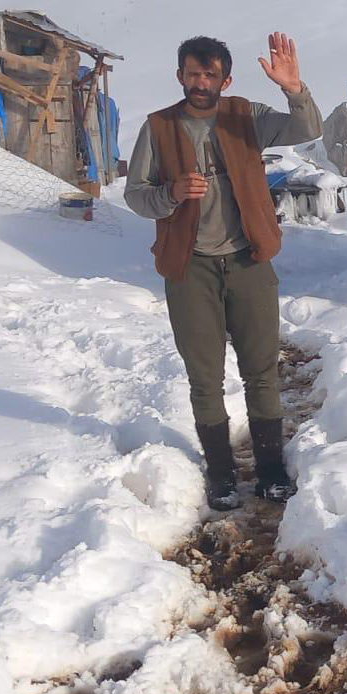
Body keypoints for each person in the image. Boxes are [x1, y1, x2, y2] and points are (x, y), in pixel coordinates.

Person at [124, 32, 322, 509]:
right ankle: (221, 474)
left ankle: (271, 469)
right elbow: (135, 195)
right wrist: (170, 193)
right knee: (205, 378)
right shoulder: (158, 128)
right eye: (193, 73)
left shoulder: (245, 117)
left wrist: (294, 89)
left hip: (249, 262)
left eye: (210, 74)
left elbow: (307, 128)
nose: (201, 82)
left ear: (225, 79)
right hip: (189, 268)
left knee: (261, 372)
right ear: (180, 76)